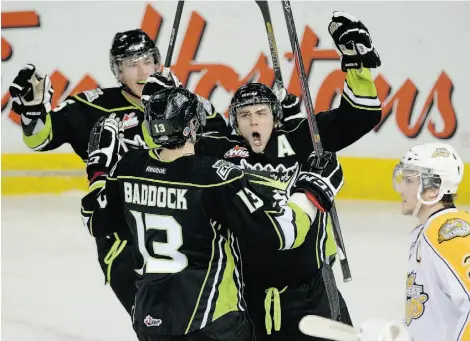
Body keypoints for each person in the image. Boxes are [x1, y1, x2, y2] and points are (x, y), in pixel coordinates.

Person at [81, 87, 345, 341]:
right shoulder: (214, 176)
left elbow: (93, 218)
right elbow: (284, 233)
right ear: (194, 126)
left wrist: (99, 168)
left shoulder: (129, 168)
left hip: (150, 319)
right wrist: (313, 190)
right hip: (212, 321)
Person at [187, 11, 383, 341]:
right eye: (245, 115)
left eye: (261, 113)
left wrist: (355, 62)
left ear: (275, 117)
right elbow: (171, 151)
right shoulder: (219, 148)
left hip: (312, 289)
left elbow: (361, 116)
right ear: (234, 122)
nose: (253, 122)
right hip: (247, 289)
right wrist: (162, 105)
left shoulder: (302, 136)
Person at [8, 28, 229, 315]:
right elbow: (40, 139)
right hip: (123, 238)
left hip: (185, 230)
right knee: (156, 325)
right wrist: (33, 112)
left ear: (158, 63)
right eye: (130, 64)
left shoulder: (189, 106)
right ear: (117, 71)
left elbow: (227, 149)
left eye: (147, 61)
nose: (141, 70)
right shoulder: (93, 106)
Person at [392, 142, 468, 341]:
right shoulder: (428, 230)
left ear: (433, 190)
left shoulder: (446, 233)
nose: (400, 188)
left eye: (409, 180)